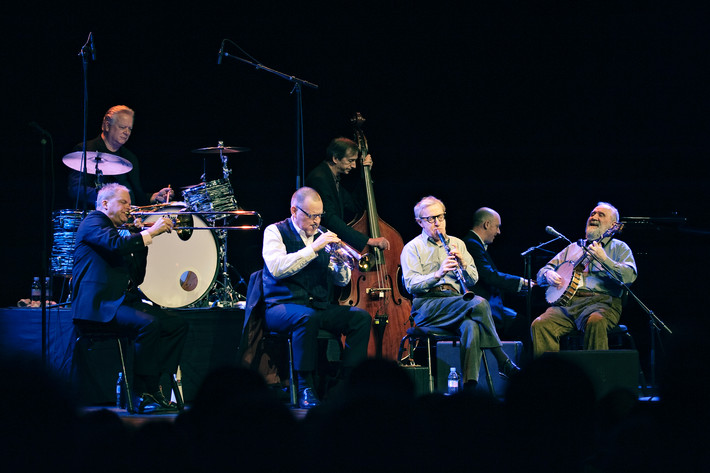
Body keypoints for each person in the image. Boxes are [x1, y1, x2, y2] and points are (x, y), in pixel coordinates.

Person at [72, 183, 188, 413]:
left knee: (176, 324)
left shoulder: (118, 232)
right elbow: (115, 246)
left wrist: (139, 237)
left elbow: (138, 276)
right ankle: (139, 392)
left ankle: (153, 385)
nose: (130, 207)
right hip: (99, 306)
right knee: (149, 324)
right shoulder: (93, 221)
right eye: (124, 202)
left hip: (122, 301)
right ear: (105, 204)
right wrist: (150, 232)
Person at [261, 187, 371, 408]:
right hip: (281, 306)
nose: (316, 221)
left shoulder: (321, 236)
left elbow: (341, 281)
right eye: (311, 215)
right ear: (294, 210)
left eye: (319, 215)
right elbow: (276, 268)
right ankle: (305, 387)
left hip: (316, 306)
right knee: (306, 317)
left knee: (360, 318)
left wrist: (341, 263)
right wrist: (313, 249)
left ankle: (346, 384)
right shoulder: (275, 231)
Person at [400, 196, 520, 391]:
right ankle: (502, 360)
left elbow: (472, 279)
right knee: (480, 303)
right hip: (428, 306)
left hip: (455, 302)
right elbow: (411, 285)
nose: (437, 223)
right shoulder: (412, 248)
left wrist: (463, 265)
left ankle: (469, 388)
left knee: (471, 326)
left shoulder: (457, 244)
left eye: (440, 217)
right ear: (419, 222)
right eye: (430, 219)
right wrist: (438, 274)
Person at [531, 202, 637, 358]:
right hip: (568, 304)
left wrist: (605, 260)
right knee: (540, 324)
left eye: (601, 215)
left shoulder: (619, 247)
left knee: (596, 321)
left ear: (613, 225)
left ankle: (596, 378)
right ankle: (549, 378)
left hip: (602, 303)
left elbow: (630, 277)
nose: (594, 217)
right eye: (592, 214)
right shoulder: (573, 248)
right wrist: (548, 275)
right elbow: (542, 273)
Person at [68, 105, 173, 208]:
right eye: (122, 127)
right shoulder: (87, 150)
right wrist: (111, 197)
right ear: (107, 126)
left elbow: (135, 196)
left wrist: (153, 197)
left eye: (130, 129)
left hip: (127, 219)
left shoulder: (130, 157)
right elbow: (76, 189)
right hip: (100, 217)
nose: (127, 132)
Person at [305, 137, 390, 253]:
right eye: (350, 161)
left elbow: (355, 205)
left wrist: (365, 175)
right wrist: (368, 241)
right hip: (318, 245)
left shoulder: (333, 178)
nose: (354, 166)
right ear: (335, 158)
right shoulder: (320, 178)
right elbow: (329, 219)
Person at [464, 207, 532, 336]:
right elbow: (488, 276)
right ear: (487, 224)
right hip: (480, 305)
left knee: (520, 321)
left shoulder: (475, 243)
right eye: (497, 226)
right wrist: (521, 282)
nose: (499, 232)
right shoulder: (471, 244)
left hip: (489, 303)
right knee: (521, 325)